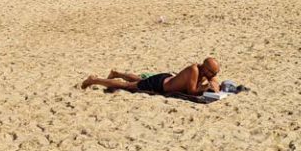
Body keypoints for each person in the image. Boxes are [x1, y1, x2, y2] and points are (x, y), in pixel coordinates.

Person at [81, 57, 221, 96]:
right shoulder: (194, 70)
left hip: (166, 78)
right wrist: (204, 88)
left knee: (141, 80)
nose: (214, 75)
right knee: (128, 86)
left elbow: (215, 82)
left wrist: (214, 83)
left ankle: (116, 73)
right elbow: (191, 91)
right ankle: (94, 80)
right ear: (206, 69)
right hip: (160, 85)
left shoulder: (204, 72)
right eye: (213, 73)